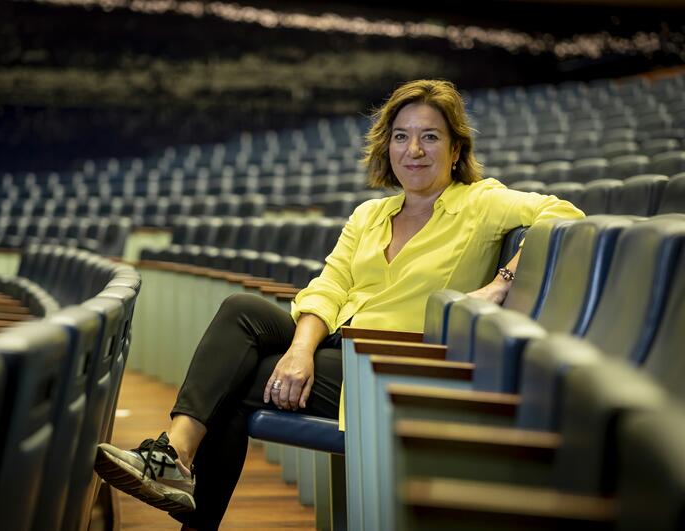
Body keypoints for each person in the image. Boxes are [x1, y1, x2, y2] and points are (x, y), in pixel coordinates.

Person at [93, 79, 584, 530]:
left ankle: (174, 464)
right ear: (387, 146)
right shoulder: (371, 214)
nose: (413, 150)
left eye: (430, 137)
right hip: (337, 343)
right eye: (401, 137)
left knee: (235, 386)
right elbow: (329, 285)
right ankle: (176, 452)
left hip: (388, 362)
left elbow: (565, 215)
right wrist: (300, 351)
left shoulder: (481, 203)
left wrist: (501, 282)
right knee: (242, 309)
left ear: (456, 149)